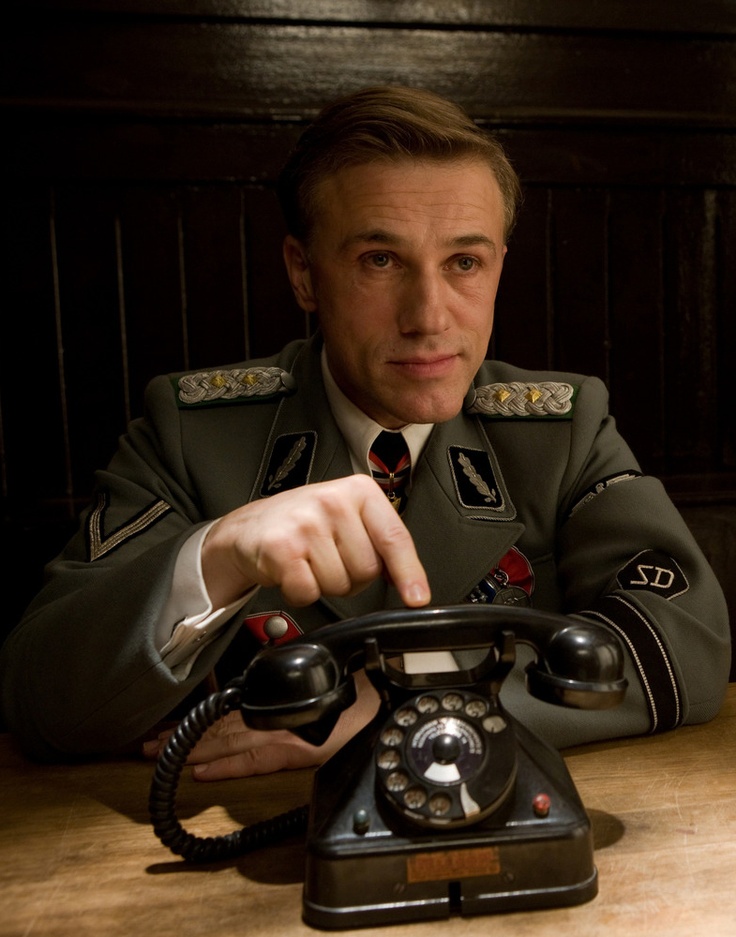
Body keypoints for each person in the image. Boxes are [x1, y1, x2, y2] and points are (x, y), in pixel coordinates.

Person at [0, 86, 729, 780]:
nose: (430, 316)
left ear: (500, 267)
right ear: (304, 274)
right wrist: (216, 555)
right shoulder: (192, 432)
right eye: (380, 261)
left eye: (464, 263)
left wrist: (408, 718)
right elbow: (40, 700)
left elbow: (689, 642)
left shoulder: (559, 429)